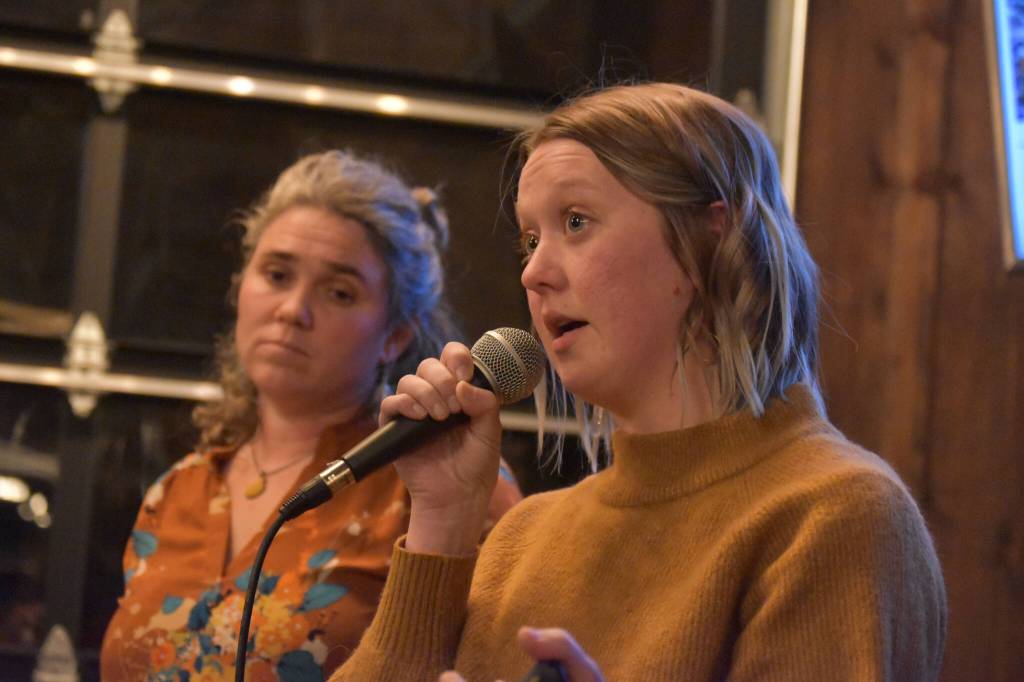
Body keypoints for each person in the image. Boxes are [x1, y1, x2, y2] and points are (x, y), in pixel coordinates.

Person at [327, 83, 948, 681]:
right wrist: (442, 524)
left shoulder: (835, 514)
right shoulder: (521, 538)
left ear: (710, 237)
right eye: (530, 239)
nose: (534, 273)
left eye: (575, 222)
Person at [99, 151, 522, 680]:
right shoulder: (175, 491)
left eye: (339, 292)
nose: (292, 310)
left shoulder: (447, 479)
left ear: (395, 335)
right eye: (276, 274)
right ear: (240, 288)